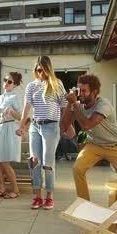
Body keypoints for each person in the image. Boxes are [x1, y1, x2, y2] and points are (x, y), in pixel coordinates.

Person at [60, 73, 117, 201]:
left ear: (95, 92)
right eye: (79, 90)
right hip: (95, 145)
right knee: (78, 168)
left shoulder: (104, 105)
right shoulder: (78, 105)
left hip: (116, 146)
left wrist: (75, 105)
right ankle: (84, 204)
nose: (81, 94)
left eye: (84, 91)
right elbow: (63, 125)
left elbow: (87, 125)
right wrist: (70, 104)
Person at [16, 56, 67, 210]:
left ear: (49, 69)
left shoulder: (57, 84)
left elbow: (64, 107)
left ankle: (49, 196)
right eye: (38, 70)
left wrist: (66, 126)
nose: (41, 73)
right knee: (34, 162)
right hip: (35, 127)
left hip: (51, 127)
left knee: (48, 163)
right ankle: (37, 196)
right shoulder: (31, 86)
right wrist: (21, 127)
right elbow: (26, 109)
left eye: (44, 70)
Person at [0, 72, 23, 199]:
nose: (6, 83)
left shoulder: (14, 97)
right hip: (1, 129)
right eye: (5, 80)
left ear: (15, 85)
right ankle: (2, 188)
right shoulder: (0, 98)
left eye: (10, 82)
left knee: (4, 162)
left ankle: (15, 190)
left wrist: (11, 110)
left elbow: (22, 117)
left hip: (10, 129)